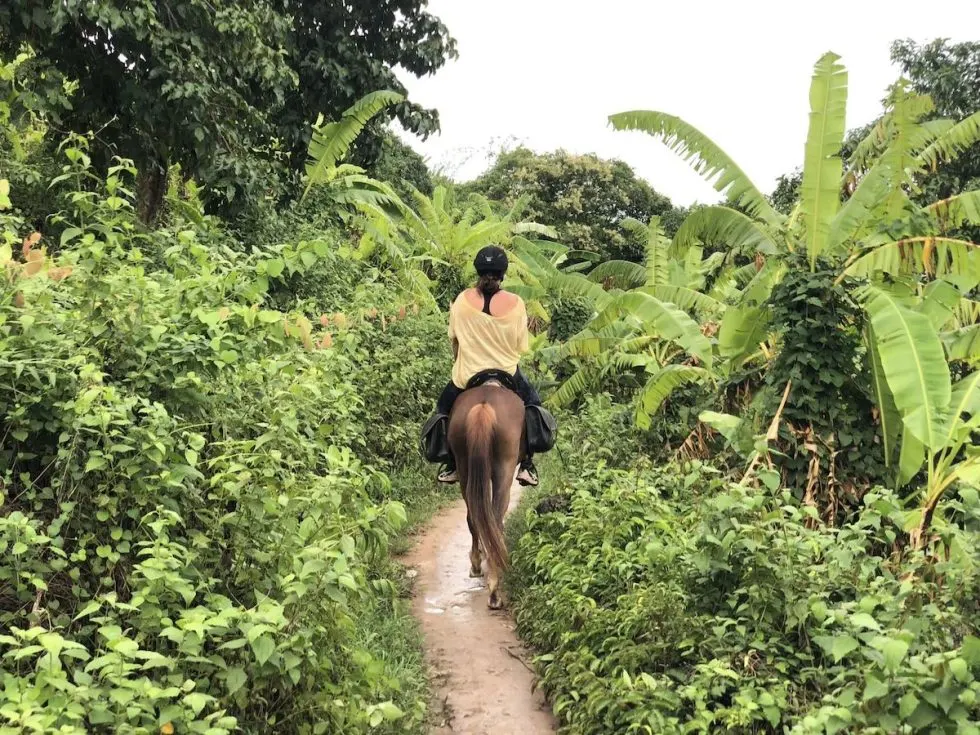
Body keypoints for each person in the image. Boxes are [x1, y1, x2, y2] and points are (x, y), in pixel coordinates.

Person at [435, 245, 541, 486]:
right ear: (502, 274)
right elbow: (521, 345)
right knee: (534, 405)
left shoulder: (462, 300)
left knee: (442, 409)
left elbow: (454, 338)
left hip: (467, 375)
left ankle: (451, 463)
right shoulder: (516, 303)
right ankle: (527, 465)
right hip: (507, 374)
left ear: (478, 271)